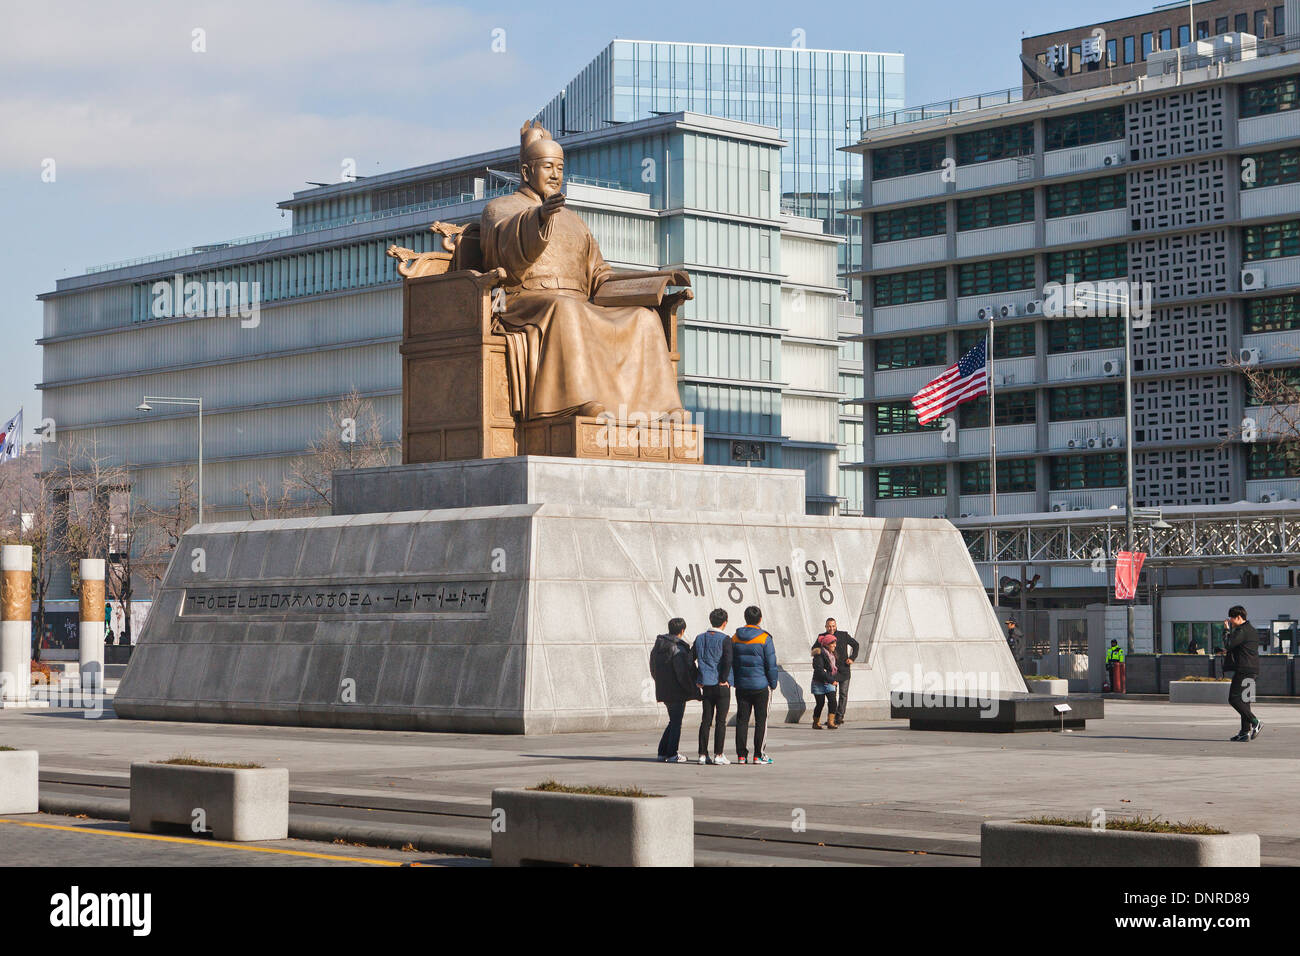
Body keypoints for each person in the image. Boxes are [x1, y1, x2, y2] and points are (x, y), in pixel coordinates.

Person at [731, 606, 779, 764]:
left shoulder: (735, 637)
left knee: (742, 720)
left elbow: (731, 662)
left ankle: (741, 755)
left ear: (745, 618)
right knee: (761, 721)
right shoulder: (765, 638)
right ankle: (758, 755)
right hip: (760, 685)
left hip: (742, 686)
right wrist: (773, 683)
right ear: (760, 619)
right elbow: (771, 664)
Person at [649, 618, 700, 762]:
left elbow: (653, 668)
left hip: (664, 689)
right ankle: (672, 754)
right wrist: (690, 689)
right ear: (682, 631)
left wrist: (661, 682)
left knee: (673, 720)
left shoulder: (658, 645)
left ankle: (662, 752)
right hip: (677, 691)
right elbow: (682, 673)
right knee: (676, 722)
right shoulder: (679, 648)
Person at [692, 609, 733, 765]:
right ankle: (718, 754)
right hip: (721, 686)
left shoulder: (700, 638)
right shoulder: (725, 639)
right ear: (724, 622)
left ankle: (702, 754)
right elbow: (728, 661)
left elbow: (690, 659)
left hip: (706, 685)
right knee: (720, 721)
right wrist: (724, 678)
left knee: (706, 720)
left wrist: (698, 677)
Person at [1223, 606, 1262, 742]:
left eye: (1232, 618)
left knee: (1234, 699)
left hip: (1244, 670)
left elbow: (1228, 644)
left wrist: (1226, 630)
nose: (1231, 621)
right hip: (1253, 670)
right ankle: (1244, 733)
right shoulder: (1252, 630)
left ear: (1239, 617)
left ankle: (1255, 721)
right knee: (1245, 701)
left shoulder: (1241, 630)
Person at [824, 617, 859, 724]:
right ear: (826, 627)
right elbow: (815, 649)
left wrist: (852, 658)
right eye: (829, 626)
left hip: (844, 669)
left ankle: (839, 717)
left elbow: (856, 645)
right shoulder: (822, 637)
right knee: (831, 695)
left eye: (833, 626)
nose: (831, 628)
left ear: (836, 626)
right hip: (831, 670)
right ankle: (831, 718)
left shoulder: (843, 635)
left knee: (843, 694)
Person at [810, 634, 839, 729]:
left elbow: (834, 669)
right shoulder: (819, 655)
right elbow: (819, 671)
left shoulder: (832, 654)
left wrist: (835, 679)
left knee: (833, 701)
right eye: (832, 644)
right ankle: (816, 722)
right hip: (819, 683)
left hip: (829, 681)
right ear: (827, 644)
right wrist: (832, 680)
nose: (835, 645)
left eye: (835, 643)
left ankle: (831, 722)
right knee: (820, 703)